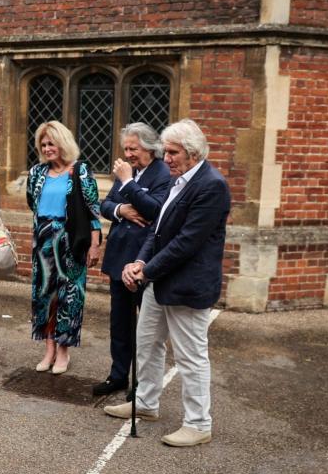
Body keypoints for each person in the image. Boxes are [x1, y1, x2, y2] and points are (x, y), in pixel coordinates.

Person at [104, 119, 231, 448]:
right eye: (167, 151)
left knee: (191, 356)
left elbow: (186, 243)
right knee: (146, 343)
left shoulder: (210, 185)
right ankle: (145, 403)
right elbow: (157, 231)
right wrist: (140, 262)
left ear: (191, 153)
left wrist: (146, 272)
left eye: (173, 152)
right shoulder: (180, 180)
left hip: (187, 286)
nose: (167, 157)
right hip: (159, 282)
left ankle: (199, 423)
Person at [92, 123, 171, 396]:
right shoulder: (130, 170)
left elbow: (156, 210)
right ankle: (118, 375)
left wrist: (127, 183)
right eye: (125, 148)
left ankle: (142, 383)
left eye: (133, 148)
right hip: (118, 256)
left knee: (146, 326)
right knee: (120, 322)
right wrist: (121, 209)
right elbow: (105, 205)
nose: (128, 154)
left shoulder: (163, 173)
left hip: (143, 260)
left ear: (150, 147)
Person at [25, 121, 101, 375]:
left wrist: (95, 244)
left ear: (63, 143)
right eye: (43, 144)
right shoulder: (37, 173)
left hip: (71, 242)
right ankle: (48, 349)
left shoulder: (79, 171)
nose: (47, 148)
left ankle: (63, 352)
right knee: (45, 295)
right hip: (43, 241)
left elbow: (93, 211)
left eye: (51, 143)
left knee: (69, 297)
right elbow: (31, 203)